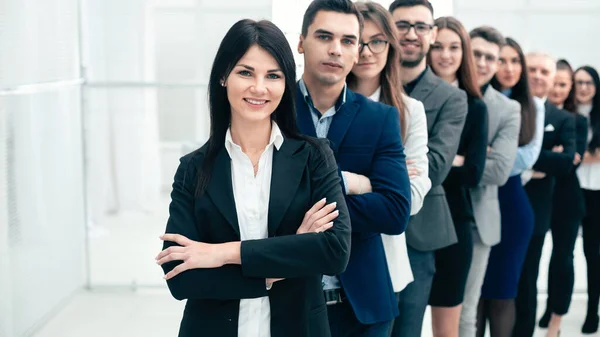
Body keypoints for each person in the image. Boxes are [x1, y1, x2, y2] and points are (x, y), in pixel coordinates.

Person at [156, 19, 352, 337]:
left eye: (273, 76)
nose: (259, 87)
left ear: (286, 83)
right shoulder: (193, 168)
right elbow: (180, 276)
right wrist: (281, 263)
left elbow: (334, 251)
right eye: (246, 72)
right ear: (223, 76)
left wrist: (222, 253)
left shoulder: (315, 157)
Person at [296, 0, 413, 335]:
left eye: (348, 40)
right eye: (324, 37)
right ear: (301, 41)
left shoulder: (380, 118)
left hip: (364, 307)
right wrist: (351, 183)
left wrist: (313, 200)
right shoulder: (275, 110)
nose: (336, 49)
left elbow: (394, 212)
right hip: (291, 302)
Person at [388, 2, 468, 336]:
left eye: (421, 26)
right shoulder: (362, 83)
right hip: (360, 229)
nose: (411, 34)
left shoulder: (451, 98)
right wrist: (399, 164)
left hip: (419, 232)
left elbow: (433, 167)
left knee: (406, 329)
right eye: (402, 25)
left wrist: (371, 169)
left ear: (432, 34)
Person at [346, 0, 431, 308]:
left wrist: (355, 182)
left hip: (383, 259)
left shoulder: (409, 111)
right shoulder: (326, 102)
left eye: (378, 41)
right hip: (323, 257)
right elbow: (312, 185)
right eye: (358, 41)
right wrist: (383, 181)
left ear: (391, 47)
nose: (367, 51)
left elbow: (412, 199)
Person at [426, 16, 489, 337]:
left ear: (464, 53)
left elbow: (475, 173)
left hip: (454, 223)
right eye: (437, 46)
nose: (445, 55)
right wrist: (454, 159)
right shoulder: (405, 97)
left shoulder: (475, 107)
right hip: (409, 222)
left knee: (447, 327)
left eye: (453, 47)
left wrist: (431, 161)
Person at [477, 38, 543, 337]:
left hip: (513, 207)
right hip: (477, 201)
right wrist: (495, 155)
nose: (508, 68)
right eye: (501, 60)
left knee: (504, 293)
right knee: (473, 295)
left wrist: (490, 154)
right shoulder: (475, 97)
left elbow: (526, 158)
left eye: (516, 61)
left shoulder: (533, 106)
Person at [459, 26, 521, 337]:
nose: (482, 63)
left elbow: (498, 171)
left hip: (478, 221)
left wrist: (461, 158)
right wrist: (476, 154)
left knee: (466, 312)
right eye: (477, 54)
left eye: (490, 58)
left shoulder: (509, 109)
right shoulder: (442, 93)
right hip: (429, 215)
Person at [513, 52, 576, 337]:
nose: (538, 76)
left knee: (527, 278)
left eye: (544, 72)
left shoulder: (562, 118)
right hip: (499, 202)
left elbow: (567, 161)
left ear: (552, 80)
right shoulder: (510, 106)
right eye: (533, 69)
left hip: (537, 208)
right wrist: (543, 158)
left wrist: (523, 158)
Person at [536, 59, 588, 337]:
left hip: (567, 200)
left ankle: (557, 318)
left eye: (563, 85)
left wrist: (550, 158)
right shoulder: (536, 113)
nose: (558, 89)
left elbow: (572, 161)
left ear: (569, 89)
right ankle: (545, 308)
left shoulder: (577, 121)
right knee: (535, 258)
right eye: (555, 82)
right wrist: (554, 156)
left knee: (562, 258)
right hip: (539, 196)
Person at [574, 65, 600, 334]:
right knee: (563, 251)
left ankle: (592, 310)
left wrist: (572, 155)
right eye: (578, 82)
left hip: (596, 192)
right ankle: (553, 309)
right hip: (569, 189)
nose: (582, 87)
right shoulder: (566, 112)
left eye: (588, 82)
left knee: (593, 254)